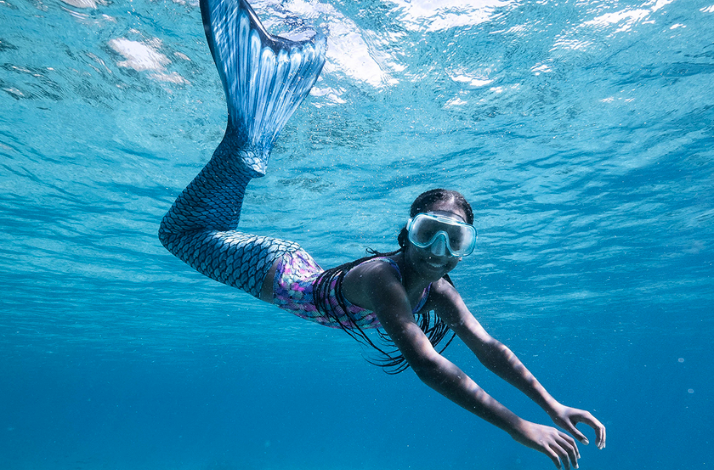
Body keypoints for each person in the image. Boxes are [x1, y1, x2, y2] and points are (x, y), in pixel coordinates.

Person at [158, 0, 607, 468]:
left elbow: (491, 350)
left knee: (197, 228)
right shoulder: (382, 279)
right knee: (181, 233)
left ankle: (252, 137)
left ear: (463, 249)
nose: (437, 250)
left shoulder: (437, 293)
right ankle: (248, 143)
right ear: (406, 234)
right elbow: (429, 364)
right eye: (429, 231)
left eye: (454, 240)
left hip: (290, 263)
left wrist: (552, 407)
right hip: (271, 267)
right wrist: (520, 426)